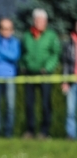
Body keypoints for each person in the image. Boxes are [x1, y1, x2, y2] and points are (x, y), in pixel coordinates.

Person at [20, 8, 61, 139]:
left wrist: (47, 68)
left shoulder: (51, 36)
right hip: (29, 75)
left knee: (45, 104)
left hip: (45, 75)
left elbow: (55, 54)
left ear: (46, 22)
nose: (40, 22)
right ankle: (30, 130)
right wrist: (23, 66)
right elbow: (22, 54)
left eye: (42, 20)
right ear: (34, 21)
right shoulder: (27, 35)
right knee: (29, 104)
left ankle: (44, 131)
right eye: (37, 20)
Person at [0, 18, 21, 138]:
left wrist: (0, 51)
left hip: (10, 77)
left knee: (10, 106)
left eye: (8, 29)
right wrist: (7, 54)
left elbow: (15, 56)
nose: (5, 31)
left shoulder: (15, 42)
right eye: (3, 28)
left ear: (12, 30)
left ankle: (8, 132)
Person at [61, 20, 77, 140]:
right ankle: (71, 135)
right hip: (72, 81)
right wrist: (65, 81)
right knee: (70, 111)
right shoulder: (69, 43)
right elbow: (66, 64)